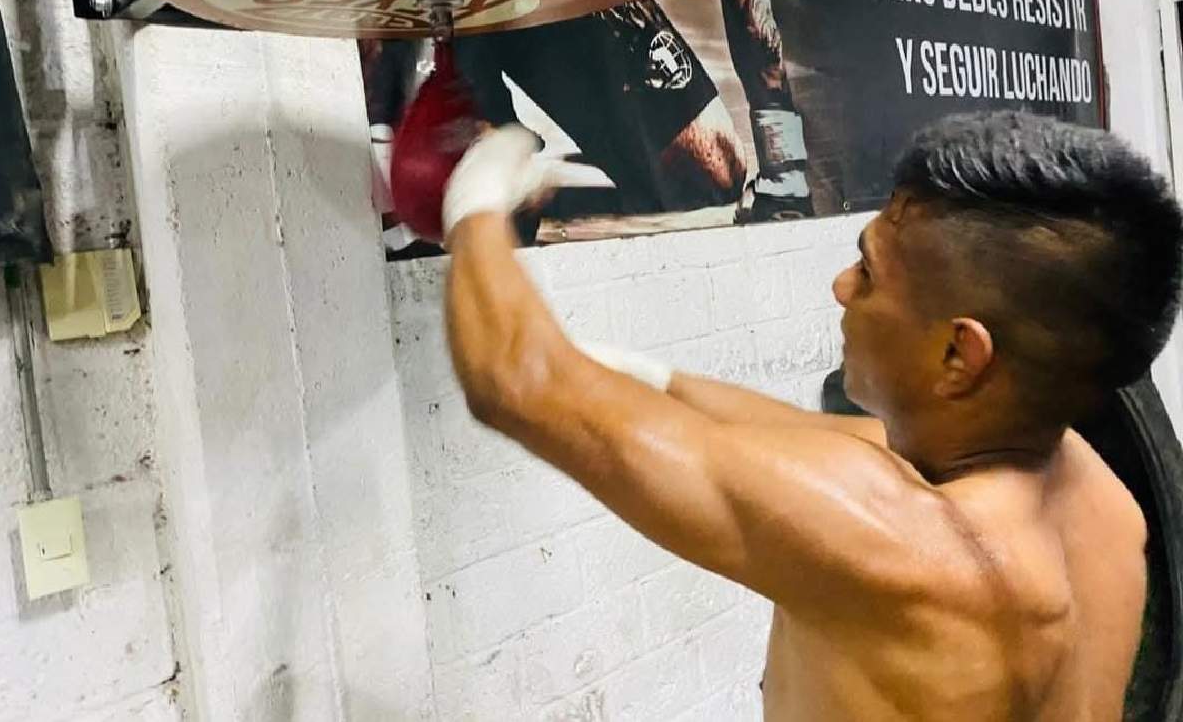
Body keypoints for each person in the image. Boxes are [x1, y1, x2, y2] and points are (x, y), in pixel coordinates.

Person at [437, 111, 1183, 720]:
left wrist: (476, 201)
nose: (841, 286)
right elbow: (827, 443)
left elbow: (516, 380)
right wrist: (647, 379)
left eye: (868, 272)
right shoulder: (1101, 503)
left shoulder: (907, 549)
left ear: (960, 353)